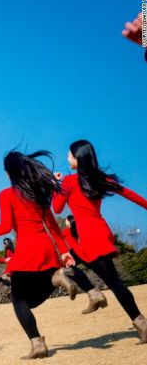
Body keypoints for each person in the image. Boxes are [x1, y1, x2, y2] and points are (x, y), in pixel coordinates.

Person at [0, 150, 77, 359]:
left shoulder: (6, 194)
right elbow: (53, 226)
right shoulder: (38, 194)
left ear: (9, 172)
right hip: (47, 248)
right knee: (29, 300)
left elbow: (5, 226)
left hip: (27, 250)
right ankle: (55, 278)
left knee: (18, 299)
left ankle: (37, 343)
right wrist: (64, 251)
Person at [53, 140, 147, 343]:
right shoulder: (99, 178)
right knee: (69, 265)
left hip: (88, 238)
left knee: (111, 282)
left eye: (69, 154)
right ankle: (95, 295)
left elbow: (57, 209)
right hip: (100, 233)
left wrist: (58, 185)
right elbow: (130, 195)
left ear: (77, 157)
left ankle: (139, 321)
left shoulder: (69, 182)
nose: (67, 158)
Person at [60, 215, 108, 314]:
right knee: (109, 278)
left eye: (66, 220)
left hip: (77, 253)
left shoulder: (67, 231)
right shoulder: (80, 228)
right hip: (88, 251)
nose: (65, 222)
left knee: (64, 268)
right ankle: (97, 297)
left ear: (69, 221)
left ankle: (89, 291)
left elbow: (57, 237)